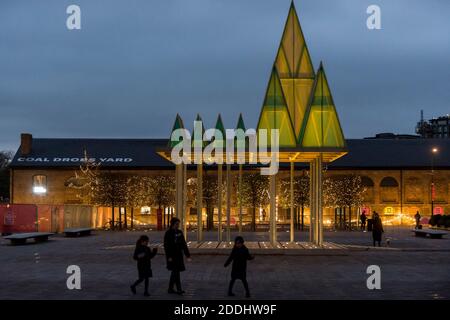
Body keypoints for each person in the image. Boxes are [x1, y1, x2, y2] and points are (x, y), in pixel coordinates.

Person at [164, 217, 191, 295]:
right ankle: (178, 289)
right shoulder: (168, 233)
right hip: (172, 256)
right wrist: (168, 256)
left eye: (178, 224)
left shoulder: (179, 232)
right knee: (175, 272)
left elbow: (183, 244)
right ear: (172, 224)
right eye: (176, 224)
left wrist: (187, 255)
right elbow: (166, 246)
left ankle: (171, 288)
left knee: (175, 272)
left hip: (178, 255)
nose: (178, 225)